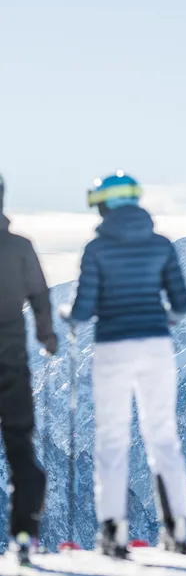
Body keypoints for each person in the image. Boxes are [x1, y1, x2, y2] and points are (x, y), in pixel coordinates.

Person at [60, 171, 186, 557]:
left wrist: (68, 313)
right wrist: (160, 319)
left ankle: (114, 533)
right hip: (156, 346)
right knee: (163, 436)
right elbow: (182, 303)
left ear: (104, 204)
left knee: (112, 439)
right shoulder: (161, 246)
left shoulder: (96, 249)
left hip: (113, 348)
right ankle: (177, 528)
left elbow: (83, 310)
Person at [0, 174, 58, 565]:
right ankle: (24, 534)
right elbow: (39, 295)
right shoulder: (20, 248)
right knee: (21, 447)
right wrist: (47, 337)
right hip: (11, 366)